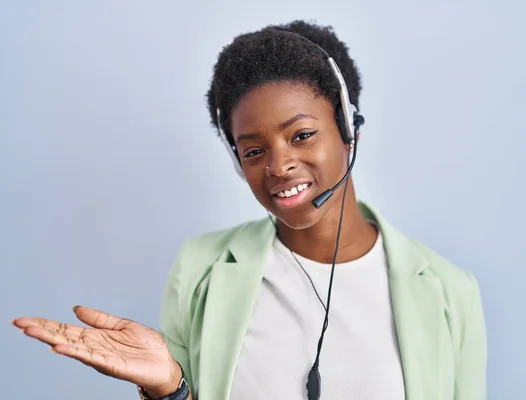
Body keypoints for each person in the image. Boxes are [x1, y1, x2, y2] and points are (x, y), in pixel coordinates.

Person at [11, 20, 487, 400]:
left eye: (301, 135)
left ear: (349, 128)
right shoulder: (201, 268)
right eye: (253, 150)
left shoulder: (449, 292)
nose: (278, 165)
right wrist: (169, 392)